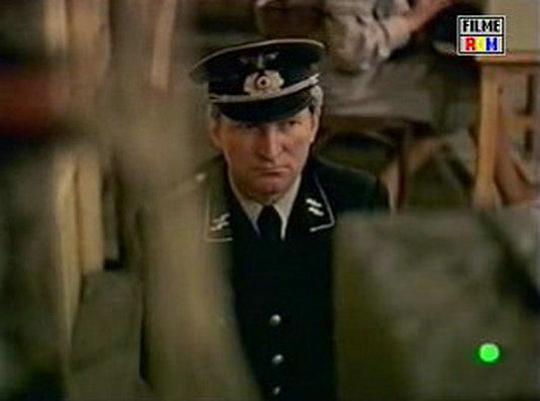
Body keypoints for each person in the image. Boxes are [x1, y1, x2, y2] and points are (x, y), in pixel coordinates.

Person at [138, 38, 389, 401]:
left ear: (314, 123)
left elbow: (377, 342)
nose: (270, 150)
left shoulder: (355, 202)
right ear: (215, 130)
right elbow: (162, 361)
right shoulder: (175, 218)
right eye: (249, 128)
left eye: (288, 124)